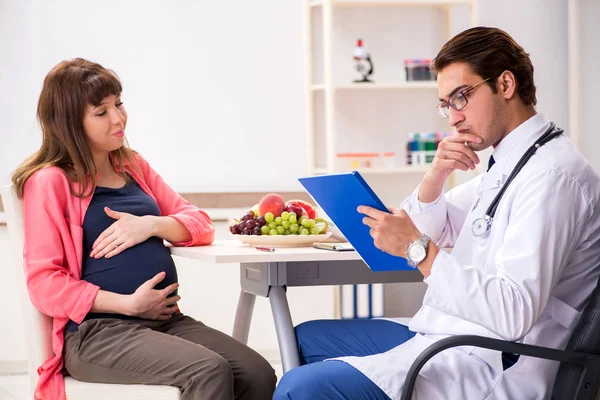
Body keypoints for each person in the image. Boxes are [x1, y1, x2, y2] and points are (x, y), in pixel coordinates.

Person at [273, 26, 600, 400]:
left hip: (494, 363)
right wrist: (435, 176)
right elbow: (431, 225)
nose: (453, 118)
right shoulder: (511, 163)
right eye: (446, 104)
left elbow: (514, 312)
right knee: (303, 340)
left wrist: (417, 250)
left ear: (506, 84)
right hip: (457, 334)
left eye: (461, 97)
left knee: (300, 387)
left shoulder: (553, 177)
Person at [11, 58, 276, 400]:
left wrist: (151, 225)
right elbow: (44, 284)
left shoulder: (132, 165)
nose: (118, 118)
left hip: (166, 323)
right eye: (101, 111)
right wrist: (128, 305)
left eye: (118, 104)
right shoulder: (50, 181)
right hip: (98, 333)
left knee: (257, 373)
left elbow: (201, 224)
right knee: (208, 370)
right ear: (70, 123)